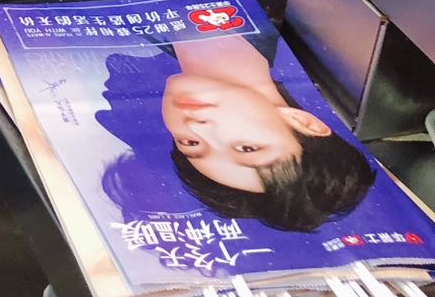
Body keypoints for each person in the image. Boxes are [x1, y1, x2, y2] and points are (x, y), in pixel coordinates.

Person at [98, 32, 376, 233]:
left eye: (191, 144)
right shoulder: (294, 27)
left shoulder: (144, 38)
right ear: (304, 122)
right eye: (247, 148)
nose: (196, 127)